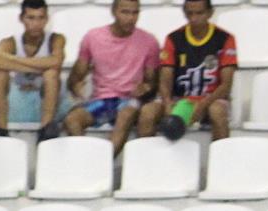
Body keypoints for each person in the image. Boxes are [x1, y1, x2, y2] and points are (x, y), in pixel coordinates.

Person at [62, 0, 161, 155]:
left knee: (126, 114)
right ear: (114, 12)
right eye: (125, 12)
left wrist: (146, 88)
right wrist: (76, 85)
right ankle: (86, 162)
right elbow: (76, 77)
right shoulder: (93, 37)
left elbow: (152, 84)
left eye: (135, 13)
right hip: (102, 101)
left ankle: (102, 165)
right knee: (72, 120)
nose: (131, 18)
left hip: (130, 99)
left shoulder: (149, 42)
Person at [138, 0, 238, 142]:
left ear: (210, 13)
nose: (194, 18)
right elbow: (165, 78)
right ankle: (146, 161)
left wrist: (203, 105)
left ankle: (222, 160)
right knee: (148, 112)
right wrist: (167, 104)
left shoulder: (225, 39)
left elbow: (226, 85)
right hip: (179, 99)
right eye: (190, 13)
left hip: (212, 99)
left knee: (218, 112)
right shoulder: (174, 38)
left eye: (199, 13)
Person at [0, 0, 69, 139]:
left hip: (48, 97)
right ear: (21, 19)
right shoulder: (10, 42)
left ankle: (46, 129)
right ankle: (1, 128)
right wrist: (40, 66)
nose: (36, 24)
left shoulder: (56, 39)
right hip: (20, 98)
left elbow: (56, 61)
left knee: (51, 74)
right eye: (31, 18)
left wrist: (10, 58)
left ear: (47, 19)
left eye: (41, 18)